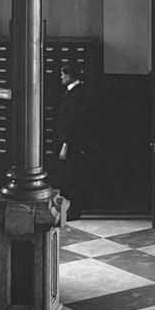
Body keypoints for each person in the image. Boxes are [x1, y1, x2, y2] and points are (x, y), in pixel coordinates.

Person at [55, 62, 96, 221]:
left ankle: (73, 211)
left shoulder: (77, 94)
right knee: (70, 177)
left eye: (63, 75)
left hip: (73, 143)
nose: (61, 77)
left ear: (70, 76)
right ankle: (71, 210)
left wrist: (65, 144)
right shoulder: (73, 92)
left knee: (72, 178)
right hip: (72, 142)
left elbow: (72, 122)